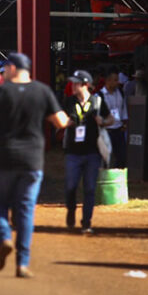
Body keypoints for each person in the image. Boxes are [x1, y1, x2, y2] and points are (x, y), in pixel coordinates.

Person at [0, 53, 68, 279]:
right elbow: (61, 122)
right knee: (25, 209)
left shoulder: (1, 92)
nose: (3, 72)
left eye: (5, 68)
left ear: (13, 68)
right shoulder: (42, 91)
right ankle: (22, 262)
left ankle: (5, 236)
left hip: (6, 156)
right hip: (33, 159)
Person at [62, 70, 111, 234]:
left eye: (76, 83)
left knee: (90, 188)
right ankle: (71, 210)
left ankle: (86, 222)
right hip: (73, 152)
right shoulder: (69, 101)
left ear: (85, 85)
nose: (73, 85)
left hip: (92, 152)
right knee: (71, 187)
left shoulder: (97, 101)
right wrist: (64, 123)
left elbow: (111, 119)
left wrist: (102, 121)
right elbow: (60, 118)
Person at [99, 67, 128, 169]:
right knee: (106, 158)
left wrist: (125, 123)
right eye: (115, 80)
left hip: (119, 130)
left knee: (122, 157)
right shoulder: (99, 96)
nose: (117, 82)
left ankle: (117, 179)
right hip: (106, 131)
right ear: (108, 80)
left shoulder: (120, 93)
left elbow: (123, 109)